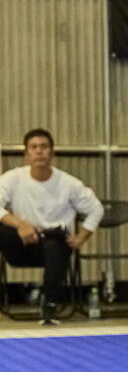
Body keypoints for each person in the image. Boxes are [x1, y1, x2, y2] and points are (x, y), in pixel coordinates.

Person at [0, 128, 103, 325]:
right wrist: (20, 224)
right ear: (26, 154)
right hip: (21, 242)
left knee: (55, 243)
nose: (39, 151)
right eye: (34, 147)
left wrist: (82, 237)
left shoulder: (68, 183)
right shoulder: (13, 179)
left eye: (44, 147)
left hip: (54, 244)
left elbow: (96, 209)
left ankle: (50, 303)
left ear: (52, 153)